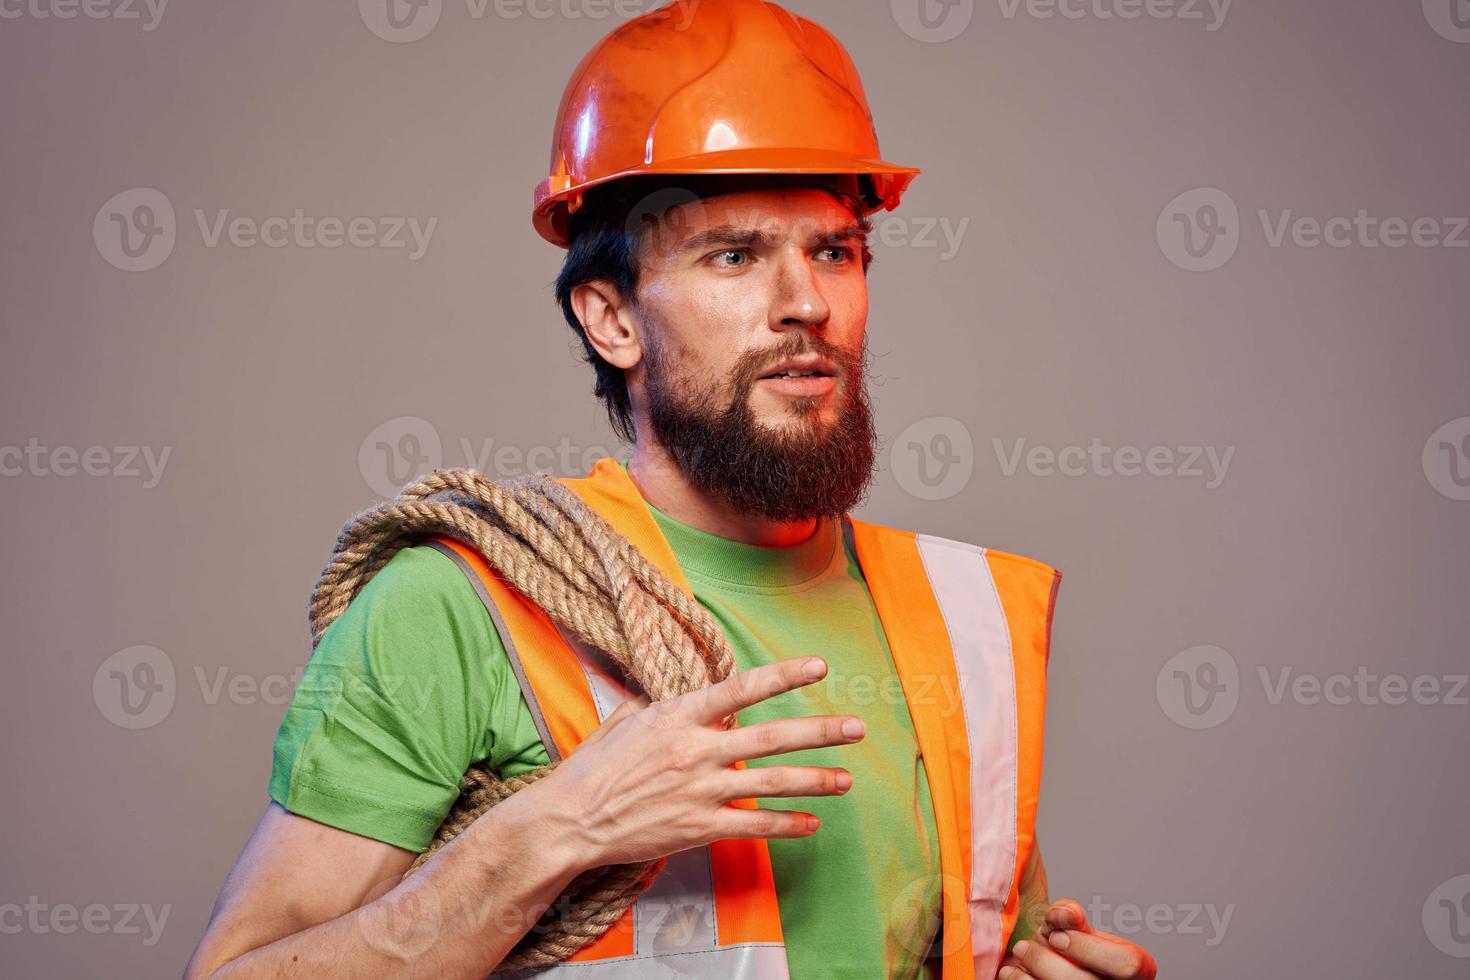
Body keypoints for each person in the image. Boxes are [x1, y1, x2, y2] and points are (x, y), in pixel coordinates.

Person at [185, 1, 1158, 977]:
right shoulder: (462, 606)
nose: (808, 303)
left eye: (834, 250)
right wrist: (555, 828)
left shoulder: (964, 620)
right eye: (733, 255)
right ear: (611, 318)